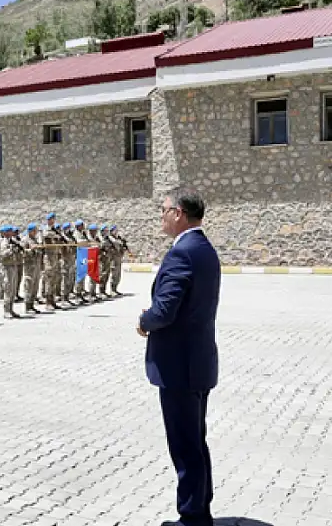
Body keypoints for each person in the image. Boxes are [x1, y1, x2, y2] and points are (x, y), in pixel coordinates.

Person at [137, 187, 221, 526]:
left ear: (178, 214)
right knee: (195, 443)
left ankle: (192, 518)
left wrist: (145, 320)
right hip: (197, 362)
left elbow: (166, 310)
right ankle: (200, 509)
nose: (161, 216)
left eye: (164, 210)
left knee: (185, 447)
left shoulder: (181, 253)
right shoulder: (204, 249)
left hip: (179, 368)